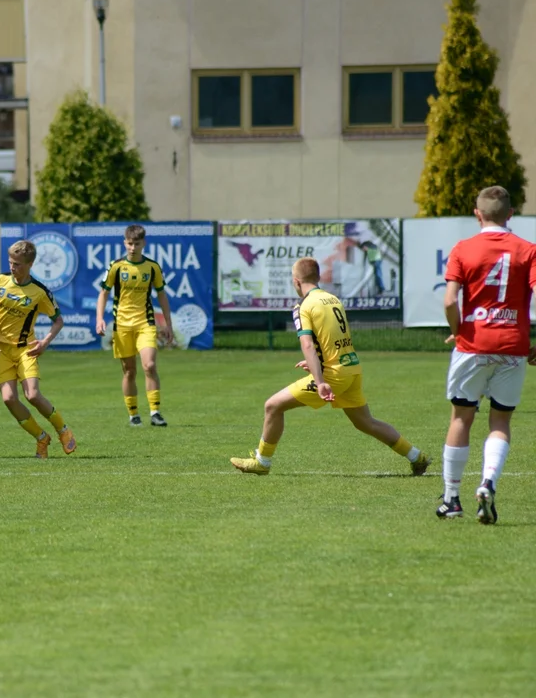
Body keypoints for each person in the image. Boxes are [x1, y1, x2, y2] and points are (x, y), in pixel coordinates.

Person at [230, 257, 430, 476]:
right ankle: (416, 457)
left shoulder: (303, 305)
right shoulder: (332, 299)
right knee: (365, 422)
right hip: (351, 368)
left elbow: (306, 343)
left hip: (334, 375)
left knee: (273, 406)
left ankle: (262, 462)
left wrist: (320, 380)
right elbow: (331, 339)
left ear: (296, 282)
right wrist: (319, 361)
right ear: (318, 277)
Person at [436, 186, 536, 524]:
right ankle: (488, 481)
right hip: (512, 346)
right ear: (510, 214)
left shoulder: (463, 249)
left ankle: (452, 500)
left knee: (461, 418)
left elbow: (450, 301)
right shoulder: (528, 250)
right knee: (501, 421)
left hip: (473, 345)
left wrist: (458, 328)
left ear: (478, 214)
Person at [0, 240, 76, 459]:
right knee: (8, 399)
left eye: (18, 264)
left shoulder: (39, 292)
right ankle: (41, 438)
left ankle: (63, 430)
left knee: (32, 394)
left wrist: (45, 342)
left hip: (26, 349)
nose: (13, 268)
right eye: (11, 262)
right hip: (0, 350)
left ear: (30, 264)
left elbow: (58, 321)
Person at [95, 224, 174, 427]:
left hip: (145, 323)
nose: (132, 247)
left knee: (149, 365)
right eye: (129, 243)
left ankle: (155, 412)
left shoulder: (152, 267)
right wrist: (99, 318)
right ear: (125, 243)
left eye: (136, 244)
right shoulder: (116, 266)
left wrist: (167, 324)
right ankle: (133, 414)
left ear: (143, 243)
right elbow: (103, 293)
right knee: (129, 371)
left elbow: (162, 295)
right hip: (121, 325)